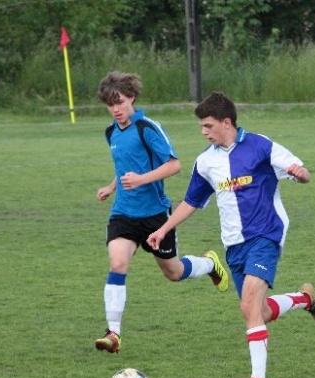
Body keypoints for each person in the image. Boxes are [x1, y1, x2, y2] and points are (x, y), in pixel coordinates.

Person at [147, 91, 315, 378]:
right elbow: (192, 201)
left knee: (248, 306)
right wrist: (164, 229)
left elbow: (302, 172)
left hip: (266, 235)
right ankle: (305, 298)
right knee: (258, 311)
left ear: (226, 122)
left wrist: (301, 175)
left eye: (208, 125)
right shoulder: (206, 162)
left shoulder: (260, 146)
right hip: (233, 244)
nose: (203, 132)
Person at [94, 71, 229, 354]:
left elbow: (174, 165)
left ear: (132, 97)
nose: (116, 109)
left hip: (155, 215)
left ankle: (209, 264)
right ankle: (113, 333)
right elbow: (125, 167)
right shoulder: (111, 132)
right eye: (110, 104)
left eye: (120, 102)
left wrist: (141, 180)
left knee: (174, 272)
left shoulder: (147, 128)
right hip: (123, 214)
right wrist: (111, 186)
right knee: (117, 263)